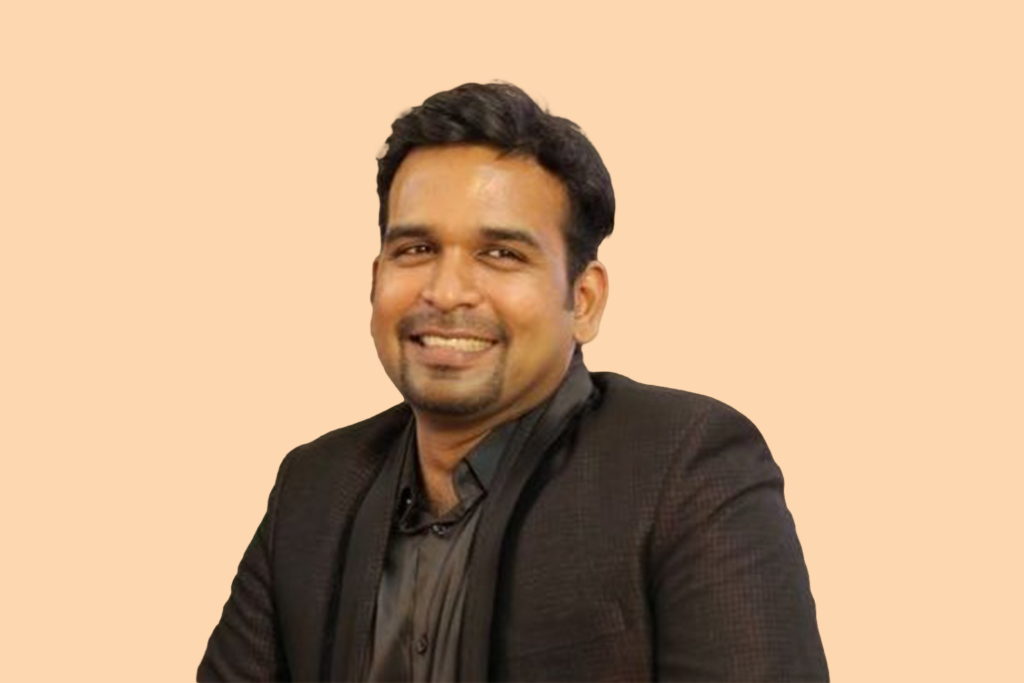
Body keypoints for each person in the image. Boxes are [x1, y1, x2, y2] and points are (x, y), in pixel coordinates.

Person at [198, 82, 829, 682]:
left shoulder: (682, 467)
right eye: (415, 249)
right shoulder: (316, 486)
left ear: (584, 300)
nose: (446, 291)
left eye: (501, 254)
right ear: (375, 279)